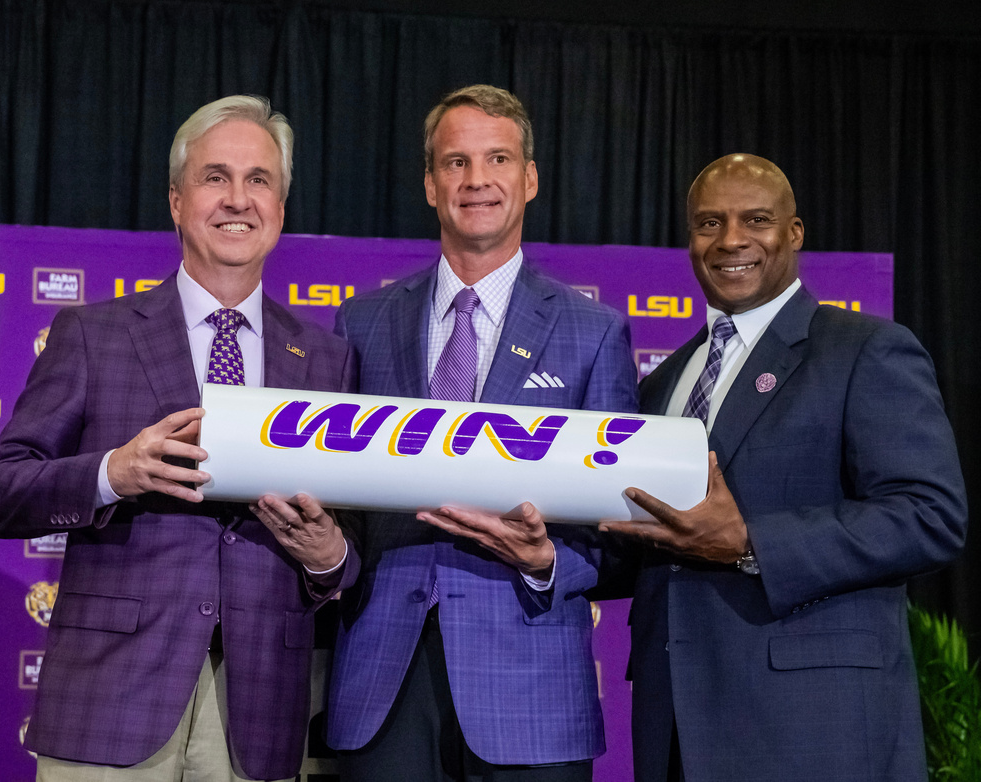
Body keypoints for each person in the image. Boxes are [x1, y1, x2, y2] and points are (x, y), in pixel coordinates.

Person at [0, 95, 357, 781]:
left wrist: (329, 556)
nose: (238, 199)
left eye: (259, 180)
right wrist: (112, 473)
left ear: (282, 209)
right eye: (216, 177)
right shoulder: (92, 334)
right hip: (109, 705)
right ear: (177, 201)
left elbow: (353, 546)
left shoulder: (328, 362)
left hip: (261, 715)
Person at [598, 153, 968, 780]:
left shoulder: (866, 350)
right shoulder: (661, 384)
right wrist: (546, 554)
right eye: (709, 223)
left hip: (812, 725)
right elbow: (653, 536)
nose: (731, 240)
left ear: (793, 234)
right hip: (675, 728)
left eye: (757, 219)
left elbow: (930, 516)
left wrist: (751, 544)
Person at [327, 84, 637, 781]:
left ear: (528, 178)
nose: (476, 180)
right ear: (431, 183)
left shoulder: (594, 334)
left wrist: (544, 561)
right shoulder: (363, 323)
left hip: (530, 690)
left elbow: (616, 531)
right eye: (456, 162)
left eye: (497, 159)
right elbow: (339, 506)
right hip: (384, 681)